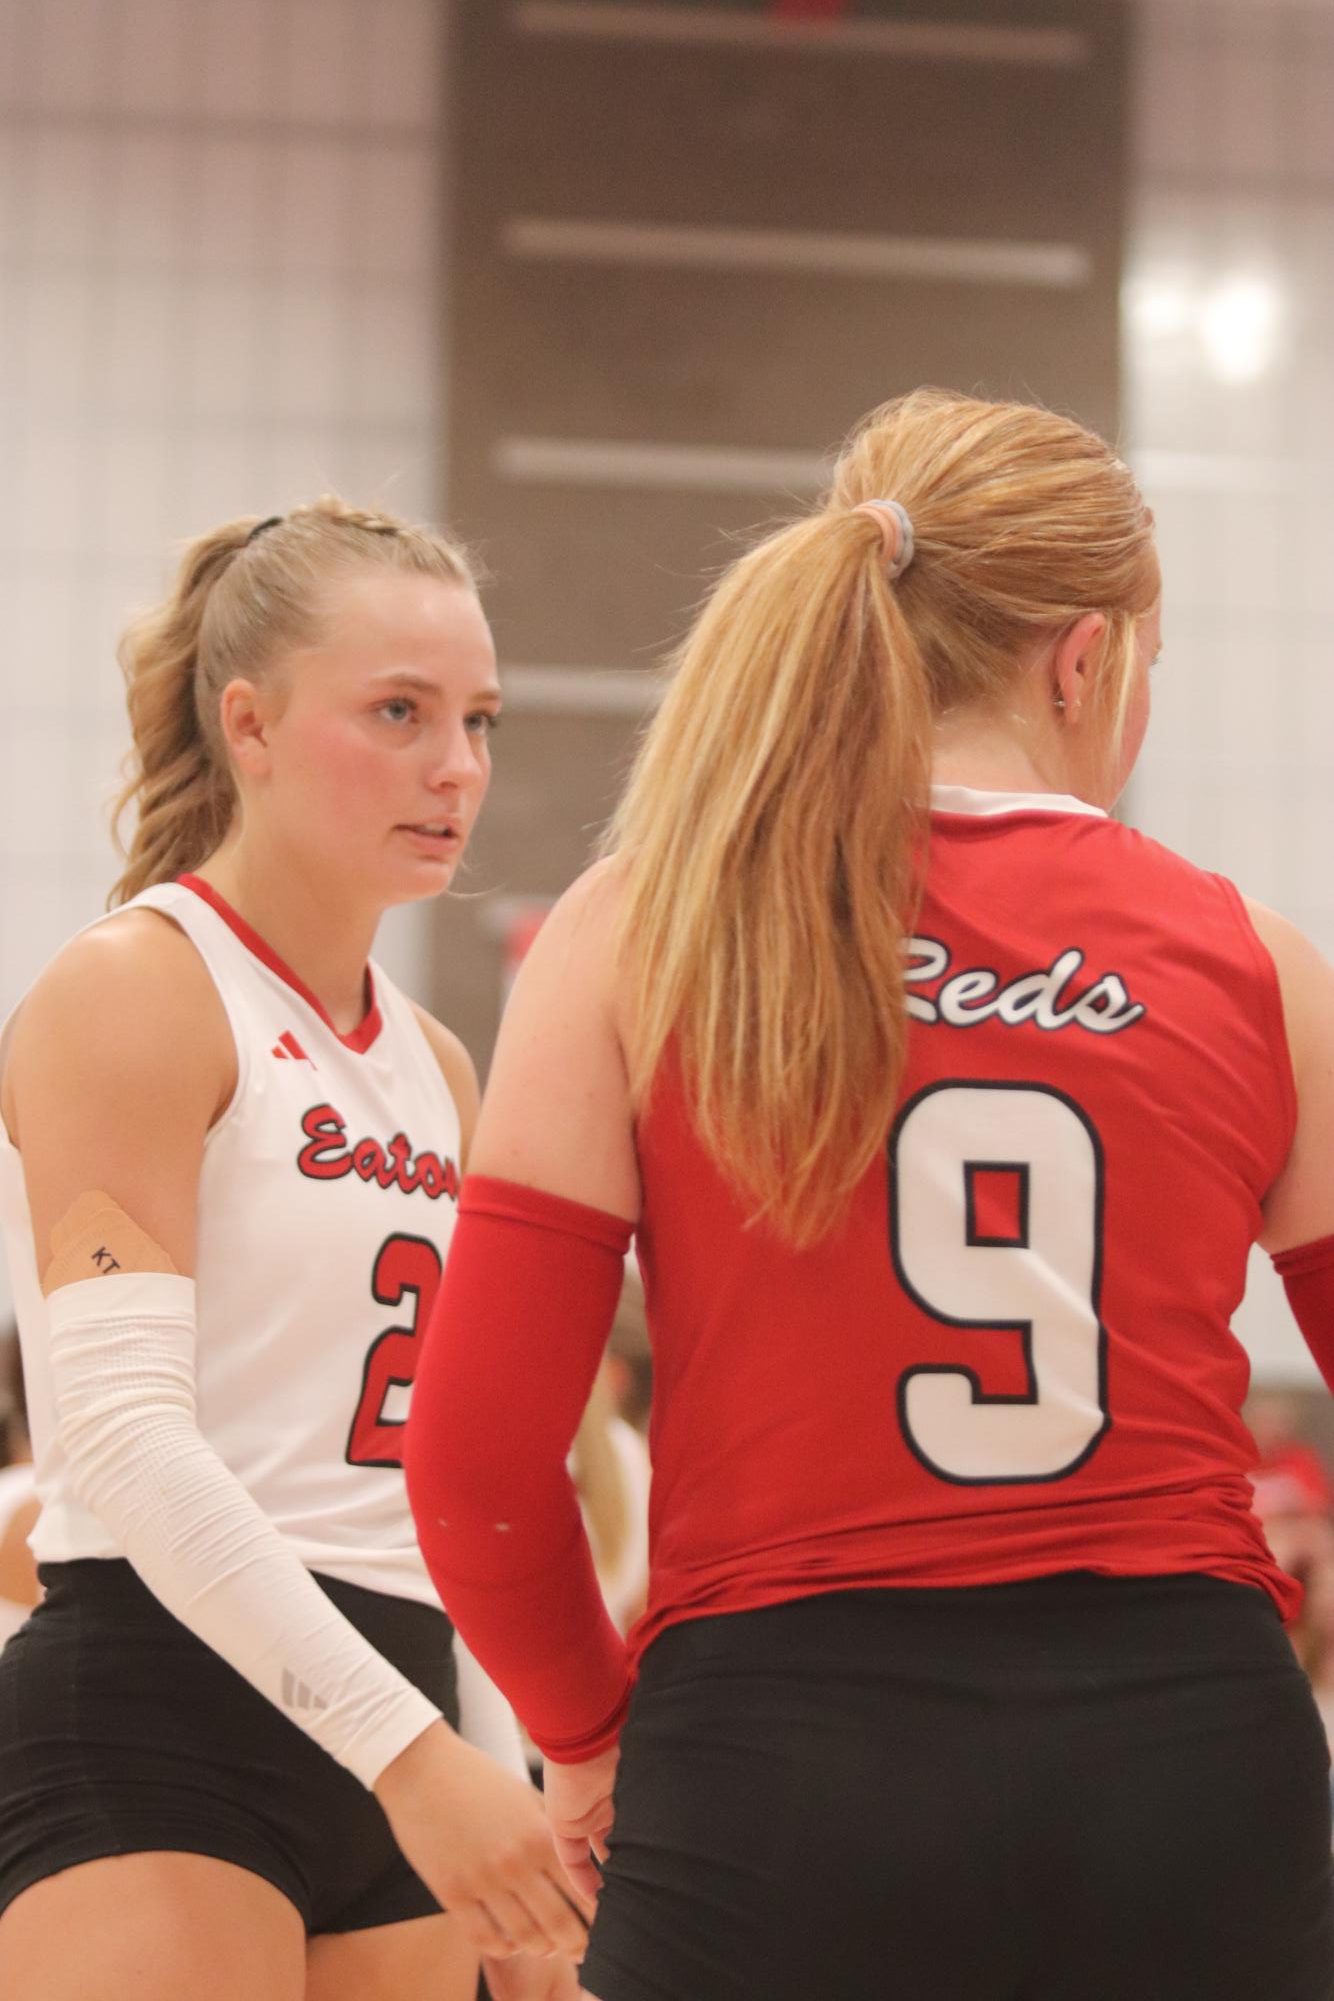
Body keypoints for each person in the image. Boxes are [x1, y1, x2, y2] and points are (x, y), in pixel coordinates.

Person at [404, 389, 1334, 2001]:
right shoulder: (1259, 963)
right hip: (1184, 1759)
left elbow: (480, 1461)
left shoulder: (640, 928)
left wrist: (587, 1734)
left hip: (778, 1762)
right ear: (1083, 657)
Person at [0, 500, 589, 2001]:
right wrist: (414, 1757)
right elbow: (126, 1442)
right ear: (248, 723)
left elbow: (423, 1497)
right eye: (397, 712)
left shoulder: (440, 1065)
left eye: (476, 718)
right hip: (163, 1699)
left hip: (399, 1712)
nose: (454, 766)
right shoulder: (137, 986)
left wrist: (488, 1769)